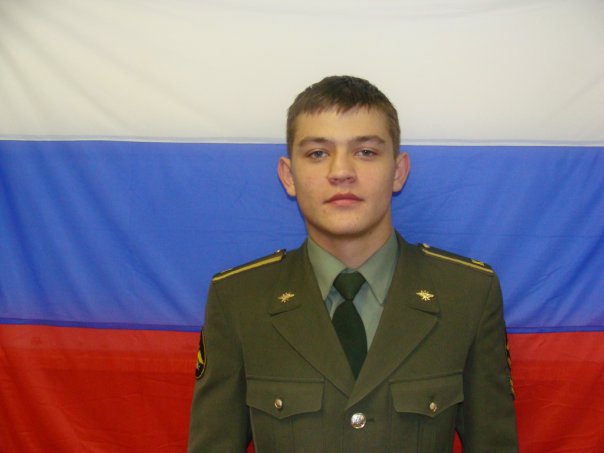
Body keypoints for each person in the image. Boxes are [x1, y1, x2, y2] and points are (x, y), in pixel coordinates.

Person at [188, 75, 518, 452]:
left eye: (365, 152)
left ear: (398, 171)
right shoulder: (239, 301)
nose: (341, 171)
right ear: (288, 176)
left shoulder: (467, 295)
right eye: (318, 153)